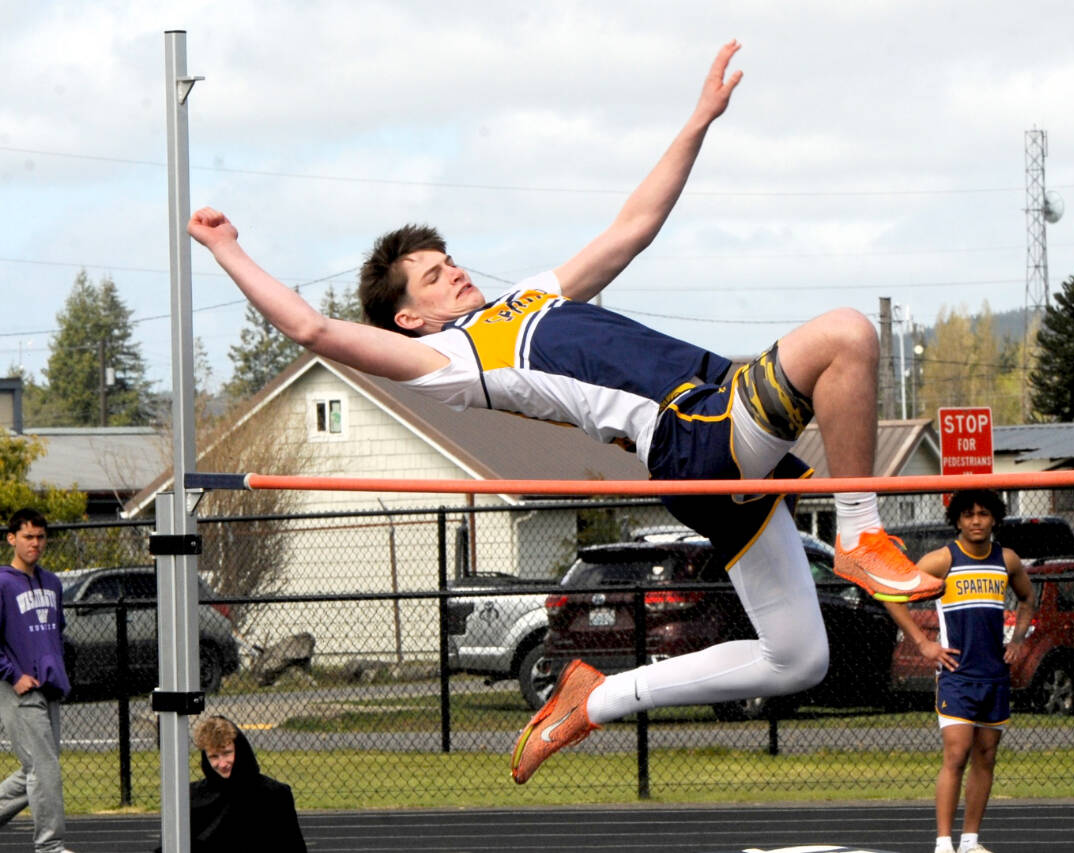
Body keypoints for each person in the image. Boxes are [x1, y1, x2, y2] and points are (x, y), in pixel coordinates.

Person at [187, 39, 942, 787]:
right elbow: (316, 331)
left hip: (711, 440)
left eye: (447, 259)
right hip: (693, 432)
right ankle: (859, 530)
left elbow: (632, 228)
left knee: (798, 657)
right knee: (847, 334)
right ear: (408, 320)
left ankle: (595, 697)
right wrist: (228, 250)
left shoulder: (532, 297)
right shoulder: (451, 358)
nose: (451, 270)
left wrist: (699, 119)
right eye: (430, 276)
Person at [883, 490, 1034, 853]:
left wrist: (1017, 639)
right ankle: (943, 842)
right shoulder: (942, 560)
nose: (976, 521)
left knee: (986, 755)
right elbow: (892, 593)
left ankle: (969, 841)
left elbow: (1028, 598)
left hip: (994, 675)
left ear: (995, 518)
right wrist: (923, 643)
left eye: (983, 514)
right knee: (957, 752)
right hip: (956, 673)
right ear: (957, 520)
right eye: (968, 515)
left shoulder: (1007, 560)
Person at [0, 509, 73, 853]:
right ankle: (50, 846)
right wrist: (13, 675)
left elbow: (56, 633)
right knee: (43, 768)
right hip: (18, 688)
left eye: (41, 537)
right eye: (28, 537)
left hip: (50, 686)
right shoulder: (2, 582)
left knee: (39, 768)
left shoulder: (53, 583)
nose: (35, 544)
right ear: (12, 538)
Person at [162, 715, 307, 852]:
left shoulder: (273, 795)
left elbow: (293, 847)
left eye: (227, 753)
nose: (222, 763)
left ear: (239, 750)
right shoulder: (192, 796)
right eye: (214, 756)